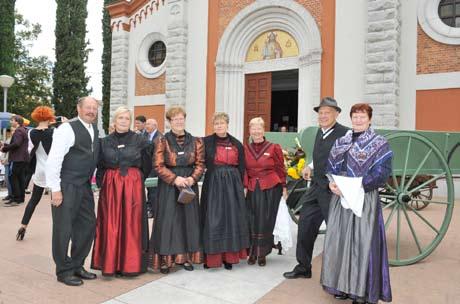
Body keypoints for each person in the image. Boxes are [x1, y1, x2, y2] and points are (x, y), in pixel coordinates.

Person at [321, 103, 393, 304]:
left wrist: (357, 186)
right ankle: (342, 285)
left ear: (370, 119)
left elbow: (382, 172)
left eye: (362, 116)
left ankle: (360, 292)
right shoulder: (341, 141)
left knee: (361, 244)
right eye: (355, 116)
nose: (358, 120)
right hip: (340, 197)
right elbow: (330, 166)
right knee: (340, 242)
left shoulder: (379, 143)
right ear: (351, 119)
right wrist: (332, 184)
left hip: (363, 198)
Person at [283, 97, 348, 280]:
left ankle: (339, 277)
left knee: (335, 233)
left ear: (336, 114)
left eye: (327, 112)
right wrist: (309, 167)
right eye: (321, 113)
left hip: (332, 191)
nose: (323, 116)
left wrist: (338, 183)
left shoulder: (345, 134)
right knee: (305, 226)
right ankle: (303, 267)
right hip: (316, 189)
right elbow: (319, 157)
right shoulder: (321, 132)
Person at [91, 106, 152, 276]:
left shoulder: (141, 141)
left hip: (133, 187)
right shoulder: (104, 142)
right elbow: (100, 165)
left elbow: (147, 163)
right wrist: (105, 182)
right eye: (121, 118)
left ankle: (130, 265)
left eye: (127, 118)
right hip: (111, 189)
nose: (124, 121)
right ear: (115, 120)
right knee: (111, 224)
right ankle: (111, 264)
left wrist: (137, 177)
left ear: (130, 122)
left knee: (132, 223)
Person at [46, 96, 100, 286]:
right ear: (79, 108)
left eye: (94, 108)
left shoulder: (94, 129)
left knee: (87, 225)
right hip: (66, 185)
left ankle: (77, 264)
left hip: (84, 186)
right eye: (88, 107)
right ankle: (63, 270)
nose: (91, 111)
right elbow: (53, 160)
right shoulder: (66, 129)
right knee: (63, 229)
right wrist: (55, 189)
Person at [149, 106, 205, 274]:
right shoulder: (162, 140)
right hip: (168, 186)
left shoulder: (196, 141)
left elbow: (200, 164)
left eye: (181, 118)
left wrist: (192, 178)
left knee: (188, 222)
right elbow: (158, 165)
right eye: (175, 119)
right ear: (169, 122)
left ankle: (186, 258)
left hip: (189, 185)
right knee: (167, 223)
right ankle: (166, 260)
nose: (179, 121)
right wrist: (175, 179)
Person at [201, 112, 249, 270]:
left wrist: (241, 187)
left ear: (227, 125)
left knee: (230, 219)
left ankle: (229, 257)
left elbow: (242, 166)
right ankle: (212, 258)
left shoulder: (237, 143)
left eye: (221, 123)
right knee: (213, 219)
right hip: (213, 183)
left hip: (232, 186)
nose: (219, 126)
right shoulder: (205, 142)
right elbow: (199, 162)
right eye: (216, 124)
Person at [244, 117, 287, 267]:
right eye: (253, 128)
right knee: (251, 220)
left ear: (263, 130)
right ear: (249, 130)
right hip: (252, 188)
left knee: (266, 220)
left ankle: (262, 253)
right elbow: (243, 170)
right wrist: (244, 186)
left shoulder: (274, 147)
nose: (256, 131)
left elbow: (281, 168)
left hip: (270, 188)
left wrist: (284, 187)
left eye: (258, 128)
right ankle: (252, 252)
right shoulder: (245, 149)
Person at [16, 106, 55, 241]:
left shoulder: (31, 132)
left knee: (34, 200)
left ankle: (23, 225)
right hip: (53, 171)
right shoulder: (54, 132)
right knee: (57, 200)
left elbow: (29, 151)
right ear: (49, 117)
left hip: (39, 170)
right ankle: (59, 230)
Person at [1, 115, 29, 206]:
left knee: (14, 178)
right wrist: (4, 144)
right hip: (22, 158)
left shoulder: (18, 131)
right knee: (20, 178)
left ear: (17, 122)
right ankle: (20, 198)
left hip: (17, 158)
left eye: (12, 120)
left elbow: (16, 144)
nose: (10, 122)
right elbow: (17, 144)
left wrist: (4, 149)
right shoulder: (23, 130)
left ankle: (16, 199)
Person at [145, 118, 161, 218]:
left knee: (153, 190)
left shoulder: (159, 137)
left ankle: (155, 211)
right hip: (147, 168)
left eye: (148, 124)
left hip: (155, 168)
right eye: (146, 124)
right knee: (149, 190)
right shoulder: (146, 135)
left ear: (155, 125)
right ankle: (150, 208)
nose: (146, 126)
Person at [1, 129, 13, 201]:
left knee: (8, 178)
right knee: (7, 178)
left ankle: (11, 194)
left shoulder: (11, 140)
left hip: (8, 161)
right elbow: (5, 151)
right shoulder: (8, 139)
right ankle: (10, 194)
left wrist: (4, 159)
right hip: (6, 161)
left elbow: (9, 152)